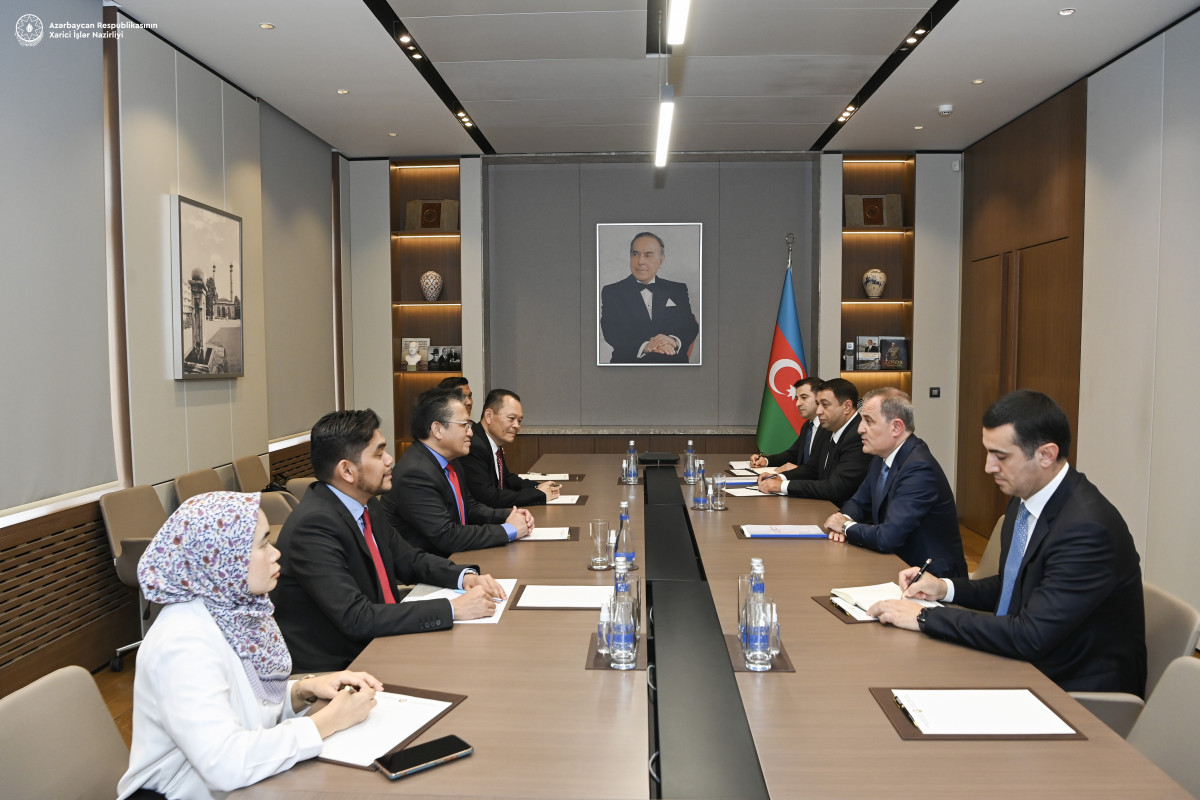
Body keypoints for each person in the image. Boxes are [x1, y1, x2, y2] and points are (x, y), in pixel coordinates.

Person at [869, 390, 1147, 695]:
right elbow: (1011, 587)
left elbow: (1031, 635)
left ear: (1046, 455)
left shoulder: (1087, 530)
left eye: (1000, 456)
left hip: (1070, 689)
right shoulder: (1025, 500)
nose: (988, 467)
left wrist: (924, 616)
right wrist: (943, 588)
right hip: (1024, 658)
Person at [118, 491, 381, 799]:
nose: (275, 553)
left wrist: (303, 690)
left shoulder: (234, 610)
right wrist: (328, 721)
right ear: (221, 557)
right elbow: (226, 764)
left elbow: (243, 705)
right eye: (262, 544)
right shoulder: (181, 643)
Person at [271, 409, 508, 672]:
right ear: (347, 470)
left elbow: (409, 560)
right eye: (378, 454)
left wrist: (464, 577)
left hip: (382, 643)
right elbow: (357, 617)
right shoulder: (314, 526)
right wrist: (453, 609)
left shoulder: (366, 504)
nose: (390, 460)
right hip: (341, 669)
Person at [822, 388, 967, 578]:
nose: (860, 429)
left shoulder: (919, 469)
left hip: (930, 578)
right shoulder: (881, 458)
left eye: (868, 421)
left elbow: (887, 538)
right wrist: (843, 518)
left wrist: (845, 527)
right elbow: (858, 502)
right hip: (897, 565)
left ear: (896, 427)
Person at [381, 388, 533, 558]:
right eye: (464, 425)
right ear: (437, 429)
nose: (471, 432)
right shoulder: (415, 474)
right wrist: (508, 530)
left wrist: (510, 515)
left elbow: (470, 507)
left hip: (455, 558)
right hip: (429, 566)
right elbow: (448, 536)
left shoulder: (451, 461)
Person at [757, 378, 870, 505]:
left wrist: (782, 486)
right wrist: (780, 477)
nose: (818, 411)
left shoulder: (859, 436)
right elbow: (813, 469)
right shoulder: (831, 428)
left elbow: (835, 488)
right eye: (818, 404)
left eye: (825, 405)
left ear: (847, 407)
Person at [599, 231, 699, 364]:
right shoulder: (612, 291)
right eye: (635, 254)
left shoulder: (677, 289)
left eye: (648, 255)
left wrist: (672, 340)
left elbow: (689, 324)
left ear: (660, 261)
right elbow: (611, 331)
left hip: (673, 365)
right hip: (629, 366)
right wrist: (646, 346)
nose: (640, 261)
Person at [459, 388, 559, 506]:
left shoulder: (493, 442)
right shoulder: (473, 446)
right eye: (511, 418)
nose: (517, 426)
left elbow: (507, 479)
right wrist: (537, 494)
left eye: (519, 421)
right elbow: (488, 498)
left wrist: (538, 486)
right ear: (489, 415)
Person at [750, 377, 829, 472]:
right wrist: (766, 461)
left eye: (804, 397)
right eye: (797, 398)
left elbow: (825, 468)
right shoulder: (807, 426)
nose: (798, 403)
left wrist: (798, 470)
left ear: (819, 398)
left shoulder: (829, 428)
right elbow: (793, 454)